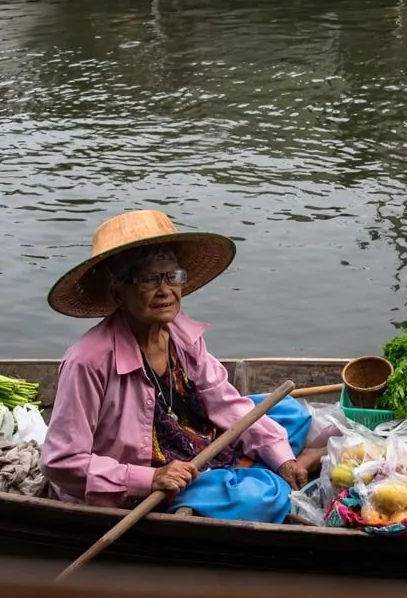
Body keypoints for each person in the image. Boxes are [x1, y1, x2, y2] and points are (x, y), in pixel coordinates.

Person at [40, 209, 324, 523]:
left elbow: (224, 402)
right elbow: (60, 462)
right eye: (149, 279)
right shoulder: (88, 361)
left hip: (191, 439)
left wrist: (282, 459)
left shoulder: (180, 333)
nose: (166, 291)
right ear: (117, 293)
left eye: (172, 276)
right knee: (262, 495)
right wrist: (148, 479)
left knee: (288, 413)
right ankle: (246, 481)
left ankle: (261, 469)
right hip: (153, 476)